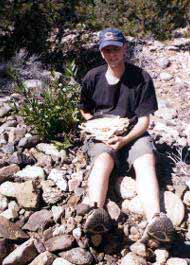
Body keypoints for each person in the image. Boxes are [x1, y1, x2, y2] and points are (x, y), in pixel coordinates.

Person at [78, 28, 174, 243]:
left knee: (146, 160)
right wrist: (98, 128)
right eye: (107, 50)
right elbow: (84, 109)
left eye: (116, 49)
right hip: (102, 131)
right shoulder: (92, 77)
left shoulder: (141, 78)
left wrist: (124, 139)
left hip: (133, 131)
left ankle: (155, 219)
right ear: (102, 52)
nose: (112, 54)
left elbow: (144, 121)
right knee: (102, 159)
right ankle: (96, 212)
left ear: (125, 49)